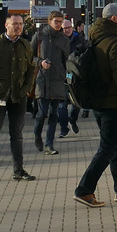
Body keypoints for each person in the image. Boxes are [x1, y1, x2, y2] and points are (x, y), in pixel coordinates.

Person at [72, 2, 117, 208]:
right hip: (113, 103)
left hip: (99, 102)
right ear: (114, 19)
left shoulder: (96, 38)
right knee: (107, 148)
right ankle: (84, 190)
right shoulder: (116, 42)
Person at [0, 12, 36, 183]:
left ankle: (18, 170)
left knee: (17, 134)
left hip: (18, 96)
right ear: (6, 25)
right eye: (15, 24)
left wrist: (27, 89)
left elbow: (31, 69)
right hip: (0, 95)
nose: (18, 27)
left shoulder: (25, 45)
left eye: (20, 24)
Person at [33, 11, 72, 154]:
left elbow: (65, 60)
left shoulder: (64, 40)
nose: (59, 24)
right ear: (49, 21)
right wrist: (40, 62)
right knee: (42, 113)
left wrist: (66, 77)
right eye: (56, 21)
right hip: (42, 79)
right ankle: (37, 135)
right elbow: (30, 57)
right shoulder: (39, 37)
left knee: (54, 114)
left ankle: (49, 144)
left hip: (57, 79)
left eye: (60, 22)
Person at [62, 18, 85, 134]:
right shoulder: (59, 40)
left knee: (76, 100)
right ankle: (63, 127)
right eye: (65, 28)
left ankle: (73, 119)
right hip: (61, 73)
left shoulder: (79, 39)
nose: (67, 30)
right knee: (63, 103)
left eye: (69, 27)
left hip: (74, 74)